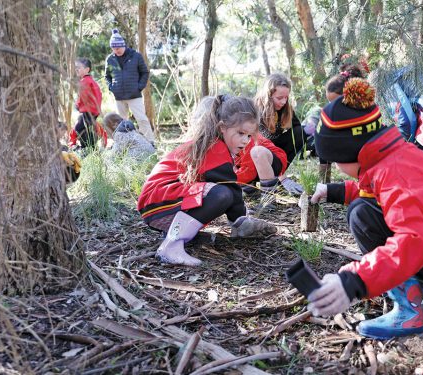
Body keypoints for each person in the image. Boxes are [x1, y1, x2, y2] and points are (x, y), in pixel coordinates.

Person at [306, 78, 423, 340]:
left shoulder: (397, 172)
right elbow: (381, 193)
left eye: (335, 160)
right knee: (364, 207)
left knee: (362, 215)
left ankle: (412, 311)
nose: (338, 167)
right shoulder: (392, 156)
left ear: (349, 152)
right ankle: (419, 290)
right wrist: (335, 192)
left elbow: (414, 240)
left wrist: (353, 282)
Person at [137, 95, 277, 266]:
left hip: (158, 202)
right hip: (158, 198)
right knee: (221, 194)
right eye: (241, 133)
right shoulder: (215, 148)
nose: (245, 141)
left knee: (220, 193)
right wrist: (240, 221)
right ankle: (170, 247)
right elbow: (230, 188)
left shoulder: (215, 145)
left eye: (249, 136)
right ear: (222, 128)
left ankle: (178, 234)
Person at [254, 73, 305, 195]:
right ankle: (269, 179)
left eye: (286, 97)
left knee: (300, 133)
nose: (283, 101)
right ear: (268, 95)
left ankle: (278, 173)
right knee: (260, 149)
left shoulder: (285, 108)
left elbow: (297, 128)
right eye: (279, 98)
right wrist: (284, 177)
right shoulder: (255, 109)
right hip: (257, 153)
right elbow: (257, 141)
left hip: (274, 150)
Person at [105, 29, 156, 144]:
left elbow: (145, 72)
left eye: (118, 47)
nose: (116, 50)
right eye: (113, 48)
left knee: (142, 119)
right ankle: (124, 144)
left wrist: (139, 87)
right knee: (121, 123)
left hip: (134, 95)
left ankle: (151, 142)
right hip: (119, 97)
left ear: (123, 45)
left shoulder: (136, 56)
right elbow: (107, 76)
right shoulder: (110, 59)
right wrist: (111, 87)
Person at [72, 58, 103, 151]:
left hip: (88, 110)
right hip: (93, 111)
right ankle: (90, 149)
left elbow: (83, 96)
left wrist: (78, 105)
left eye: (79, 68)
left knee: (78, 128)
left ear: (87, 69)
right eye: (76, 68)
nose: (77, 69)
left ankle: (88, 148)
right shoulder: (91, 81)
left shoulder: (85, 81)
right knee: (87, 130)